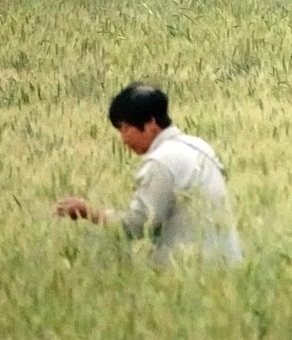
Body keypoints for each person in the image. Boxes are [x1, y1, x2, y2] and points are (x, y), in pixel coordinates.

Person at [56, 83, 243, 267]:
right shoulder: (199, 146)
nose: (123, 140)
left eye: (125, 129)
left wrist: (88, 212)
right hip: (226, 263)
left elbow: (138, 225)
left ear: (150, 124)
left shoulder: (161, 161)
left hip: (192, 269)